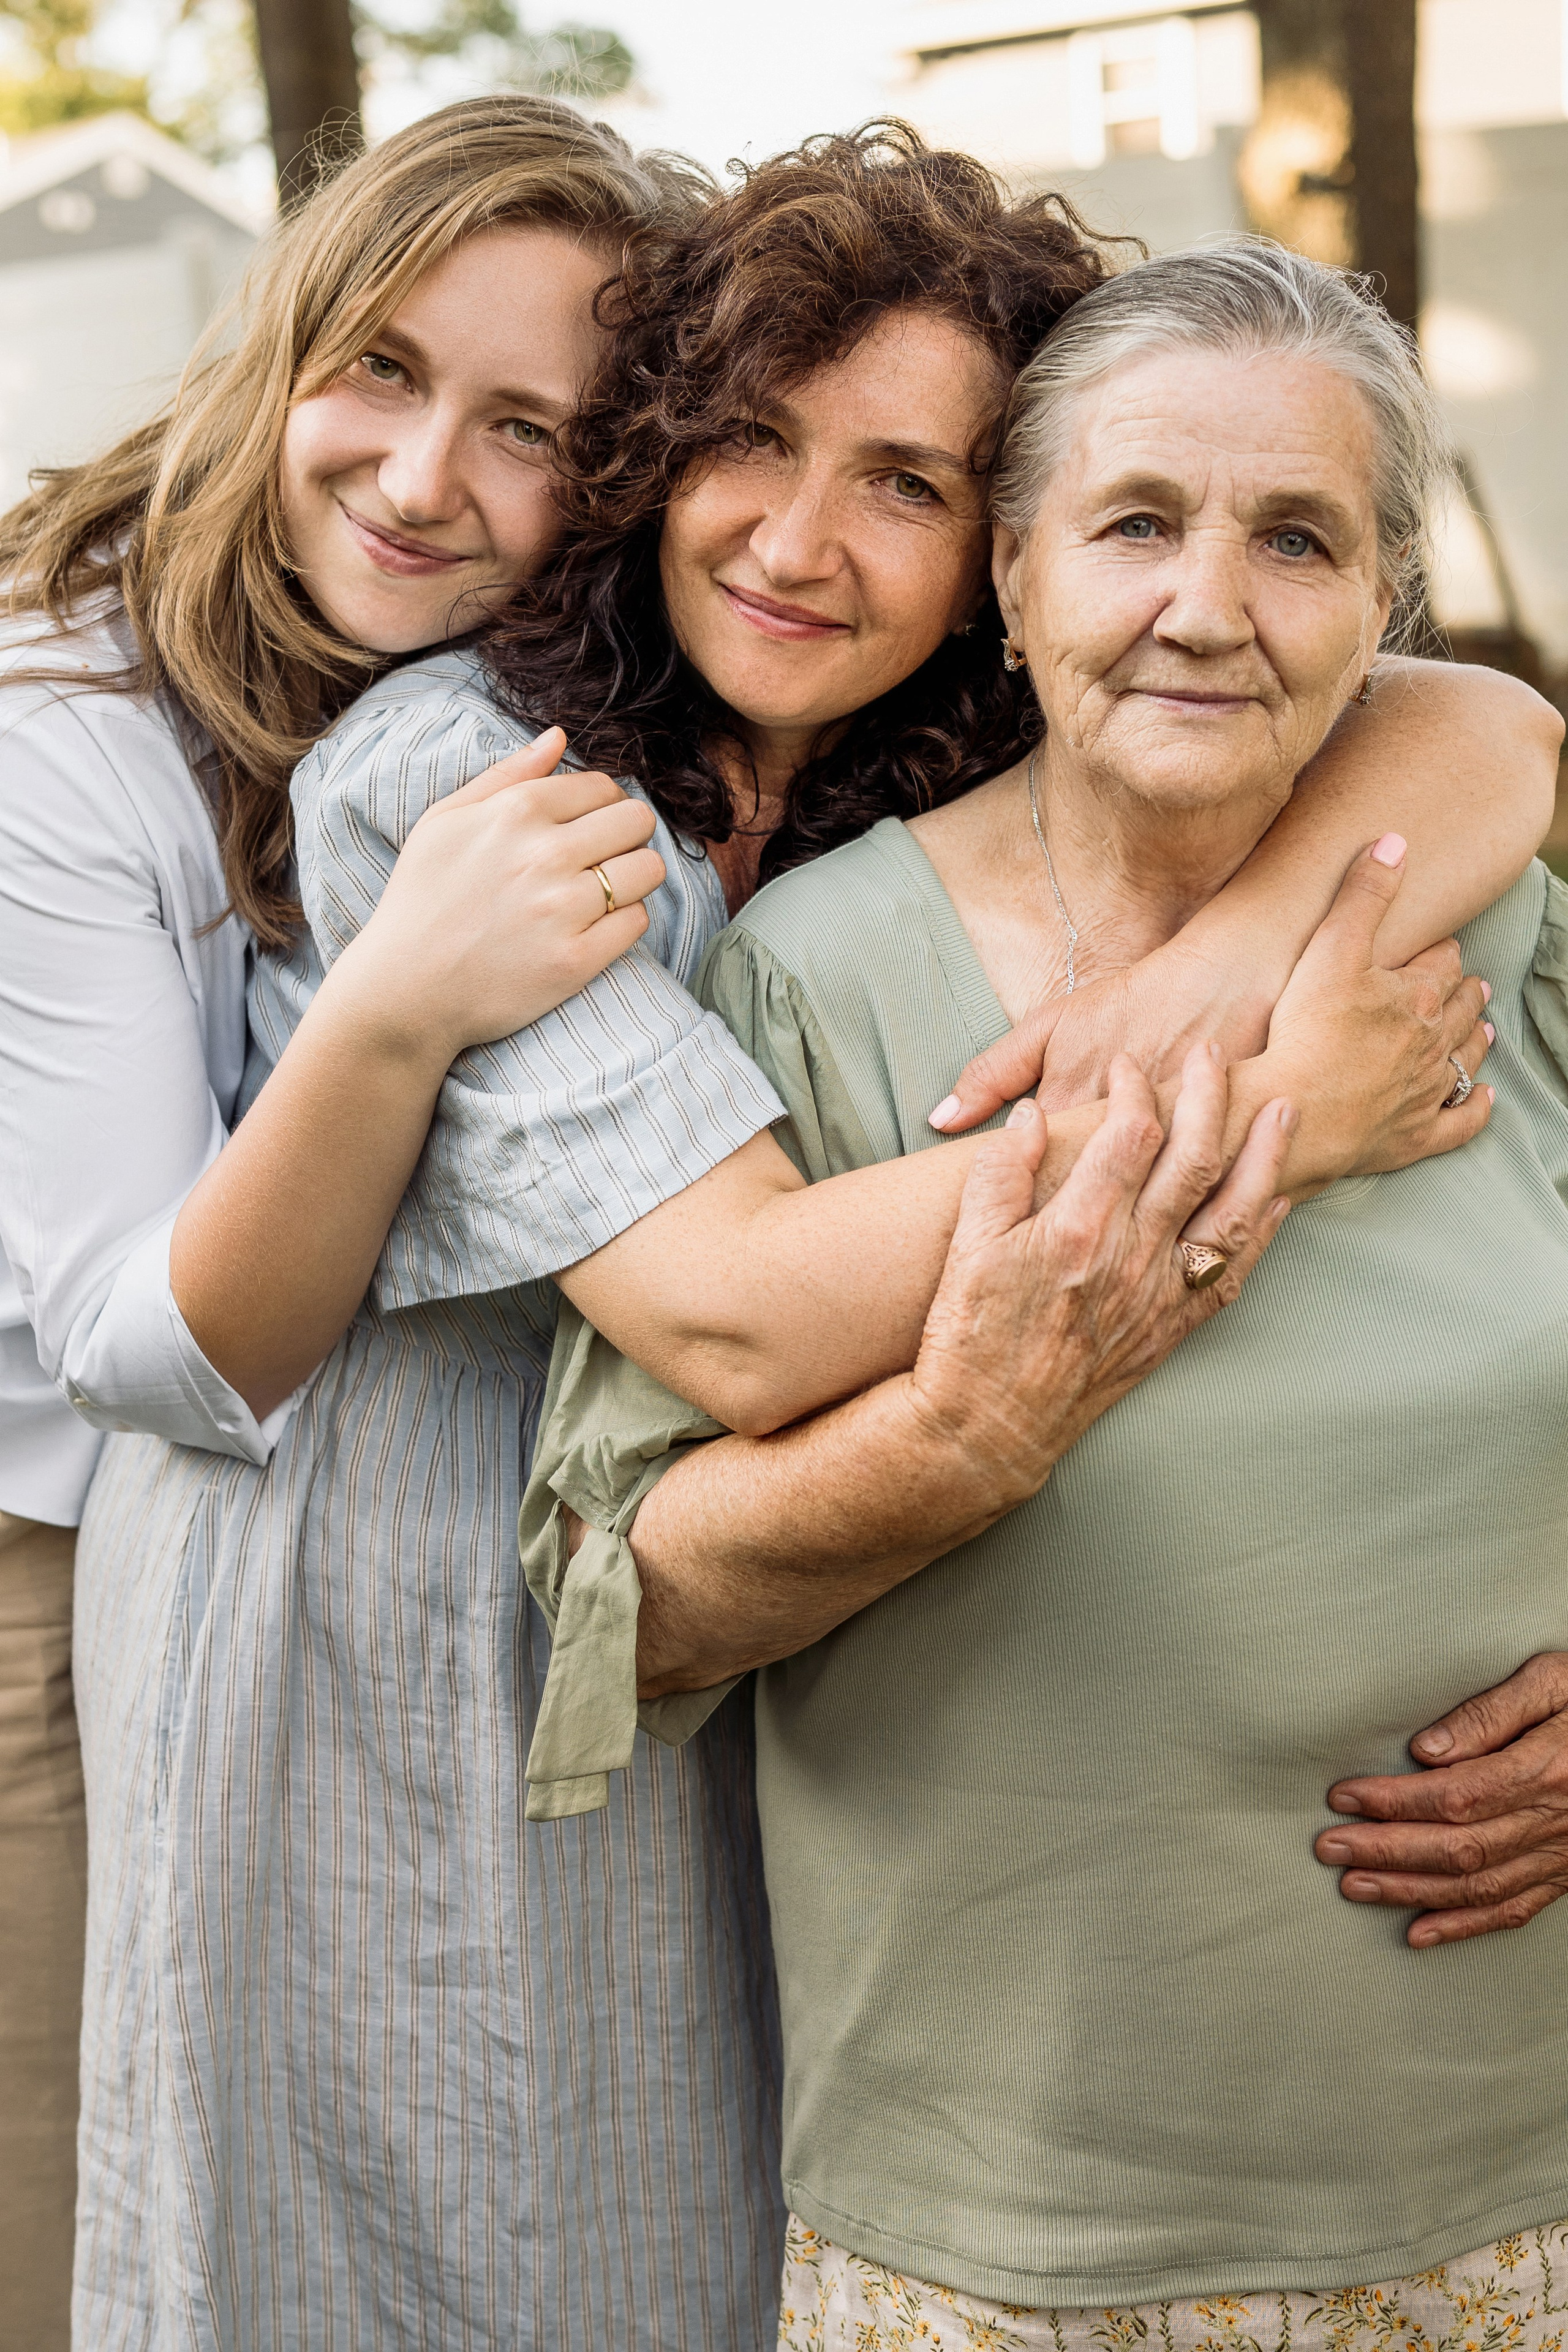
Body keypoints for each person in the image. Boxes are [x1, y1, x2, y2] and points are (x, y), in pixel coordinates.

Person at [65, 127, 1551, 2352]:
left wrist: (1186, 998)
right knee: (386, 2242)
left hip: (791, 1732)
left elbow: (1481, 720)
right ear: (654, 456)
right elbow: (738, 1318)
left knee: (692, 2210)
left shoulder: (907, 776)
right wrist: (1263, 1101)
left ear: (999, 549)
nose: (797, 538)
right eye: (746, 442)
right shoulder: (487, 778)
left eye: (908, 480)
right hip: (377, 1607)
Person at [521, 239, 1568, 2351]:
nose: (1208, 603)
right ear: (1012, 581)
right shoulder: (813, 972)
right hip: (1006, 2227)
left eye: (1299, 539)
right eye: (1135, 524)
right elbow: (635, 1606)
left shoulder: (1507, 924)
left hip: (1520, 2182)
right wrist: (967, 1433)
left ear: (1383, 604)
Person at [0, 96, 702, 2352]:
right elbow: (157, 1351)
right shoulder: (65, 723)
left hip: (343, 1585)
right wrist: (395, 1007)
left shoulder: (541, 706)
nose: (421, 480)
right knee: (86, 2236)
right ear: (280, 342)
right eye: (379, 372)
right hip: (48, 1573)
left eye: (529, 428)